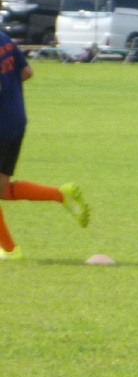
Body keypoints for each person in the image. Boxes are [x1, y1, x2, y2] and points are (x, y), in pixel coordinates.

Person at [0, 30, 90, 260]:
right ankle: (61, 195)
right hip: (16, 119)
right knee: (1, 188)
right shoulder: (3, 38)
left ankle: (10, 250)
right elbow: (27, 72)